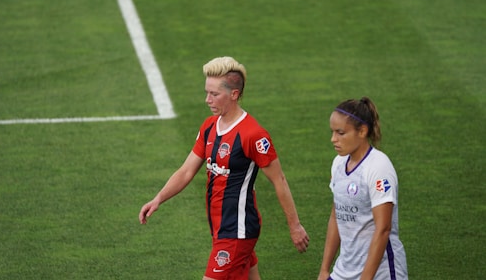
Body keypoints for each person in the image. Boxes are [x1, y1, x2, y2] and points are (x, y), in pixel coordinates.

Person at [139, 56, 310, 280]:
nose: (207, 99)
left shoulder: (254, 135)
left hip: (237, 230)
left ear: (234, 94)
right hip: (220, 228)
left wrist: (295, 226)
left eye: (214, 94)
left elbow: (280, 181)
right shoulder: (209, 127)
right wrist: (158, 198)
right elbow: (186, 171)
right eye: (207, 92)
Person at [317, 97, 408, 280]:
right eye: (333, 132)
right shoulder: (338, 164)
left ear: (362, 131)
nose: (333, 139)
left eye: (340, 133)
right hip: (344, 271)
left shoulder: (378, 167)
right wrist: (324, 270)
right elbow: (336, 216)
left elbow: (383, 229)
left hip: (380, 274)